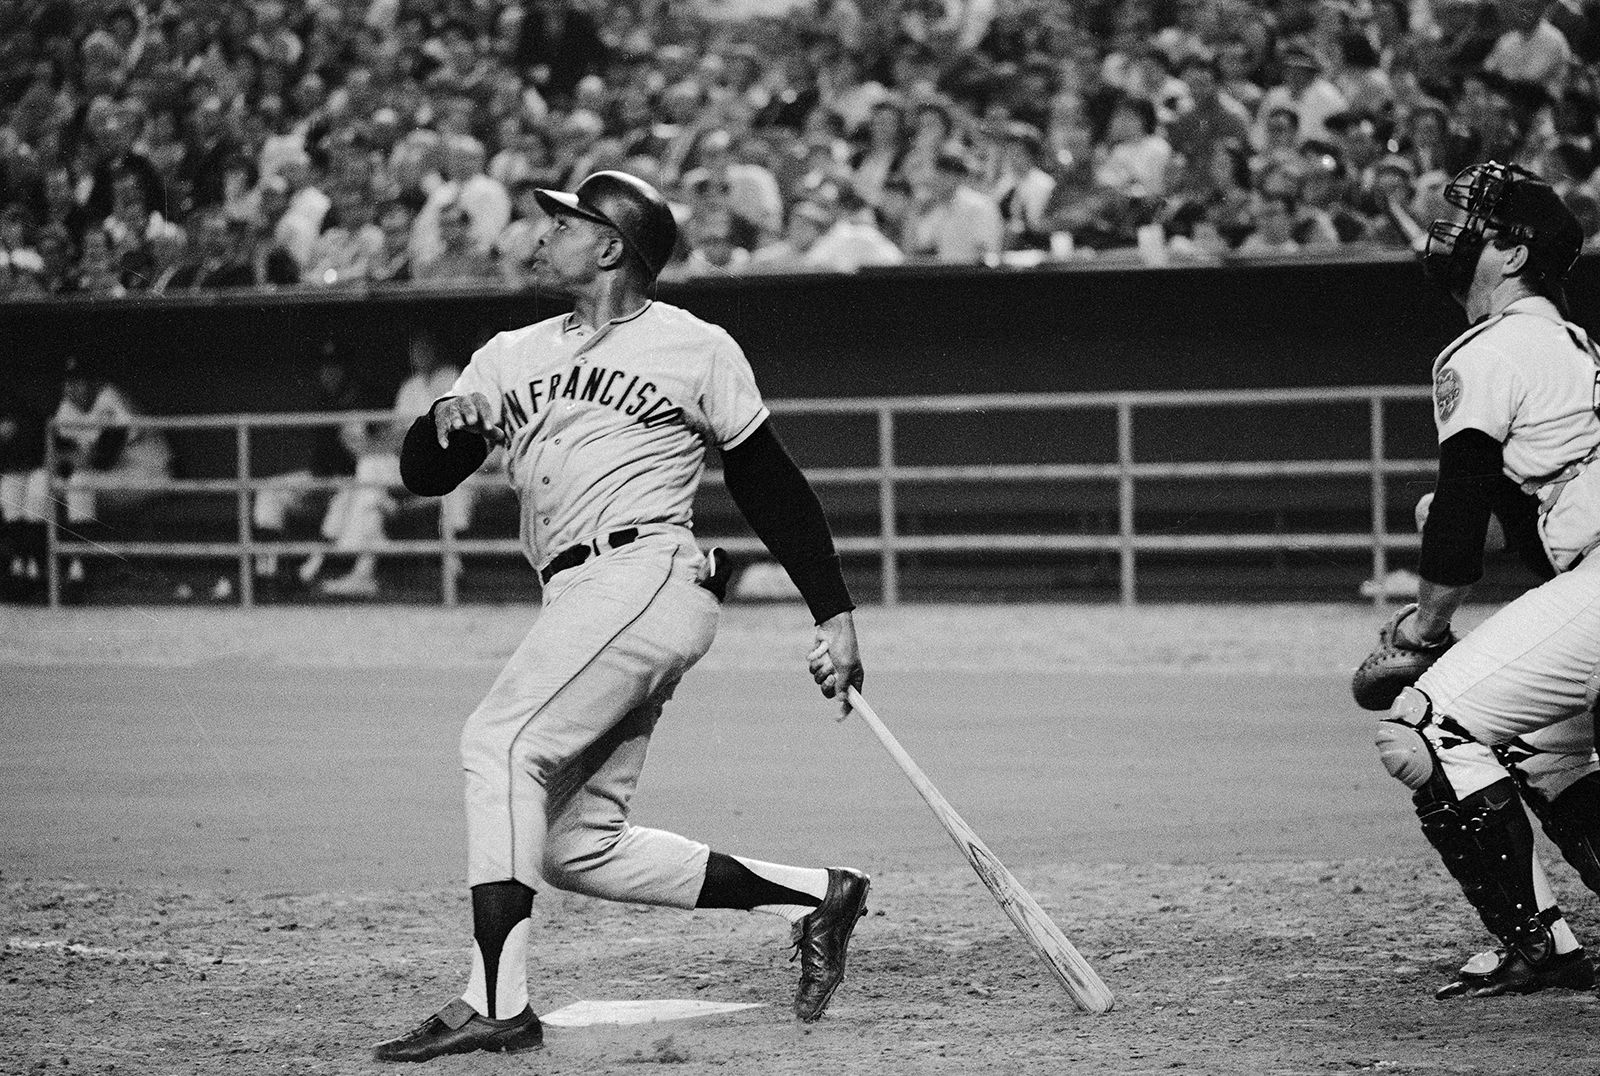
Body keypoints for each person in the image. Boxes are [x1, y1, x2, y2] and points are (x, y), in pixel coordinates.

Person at [372, 170, 867, 1062]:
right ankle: (819, 895)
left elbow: (769, 482)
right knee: (573, 846)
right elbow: (421, 474)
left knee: (502, 744)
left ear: (611, 247)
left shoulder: (693, 344)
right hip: (578, 596)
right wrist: (447, 417)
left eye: (565, 220)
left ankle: (495, 1000)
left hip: (645, 572)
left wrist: (832, 612)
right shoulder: (509, 354)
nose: (544, 230)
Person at [1367, 160, 1600, 999]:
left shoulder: (1491, 347)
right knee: (1545, 748)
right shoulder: (1571, 346)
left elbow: (1465, 506)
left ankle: (1537, 945)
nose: (1451, 236)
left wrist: (1426, 628)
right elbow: (1529, 527)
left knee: (1424, 730)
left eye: (1469, 221)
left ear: (1511, 249)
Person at [316, 330, 479, 598]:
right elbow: (397, 432)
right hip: (414, 463)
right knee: (370, 471)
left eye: (426, 347)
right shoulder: (410, 386)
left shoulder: (452, 377)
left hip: (446, 464)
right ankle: (362, 569)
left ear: (437, 349)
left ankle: (361, 568)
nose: (420, 354)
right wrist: (371, 445)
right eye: (416, 349)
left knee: (376, 492)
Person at [51, 354, 173, 586]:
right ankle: (44, 566)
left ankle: (85, 567)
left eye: (78, 382)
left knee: (80, 483)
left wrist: (72, 458)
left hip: (149, 475)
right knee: (51, 485)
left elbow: (102, 458)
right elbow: (62, 455)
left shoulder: (112, 400)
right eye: (66, 382)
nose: (70, 388)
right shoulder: (68, 408)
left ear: (95, 382)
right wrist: (70, 458)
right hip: (117, 475)